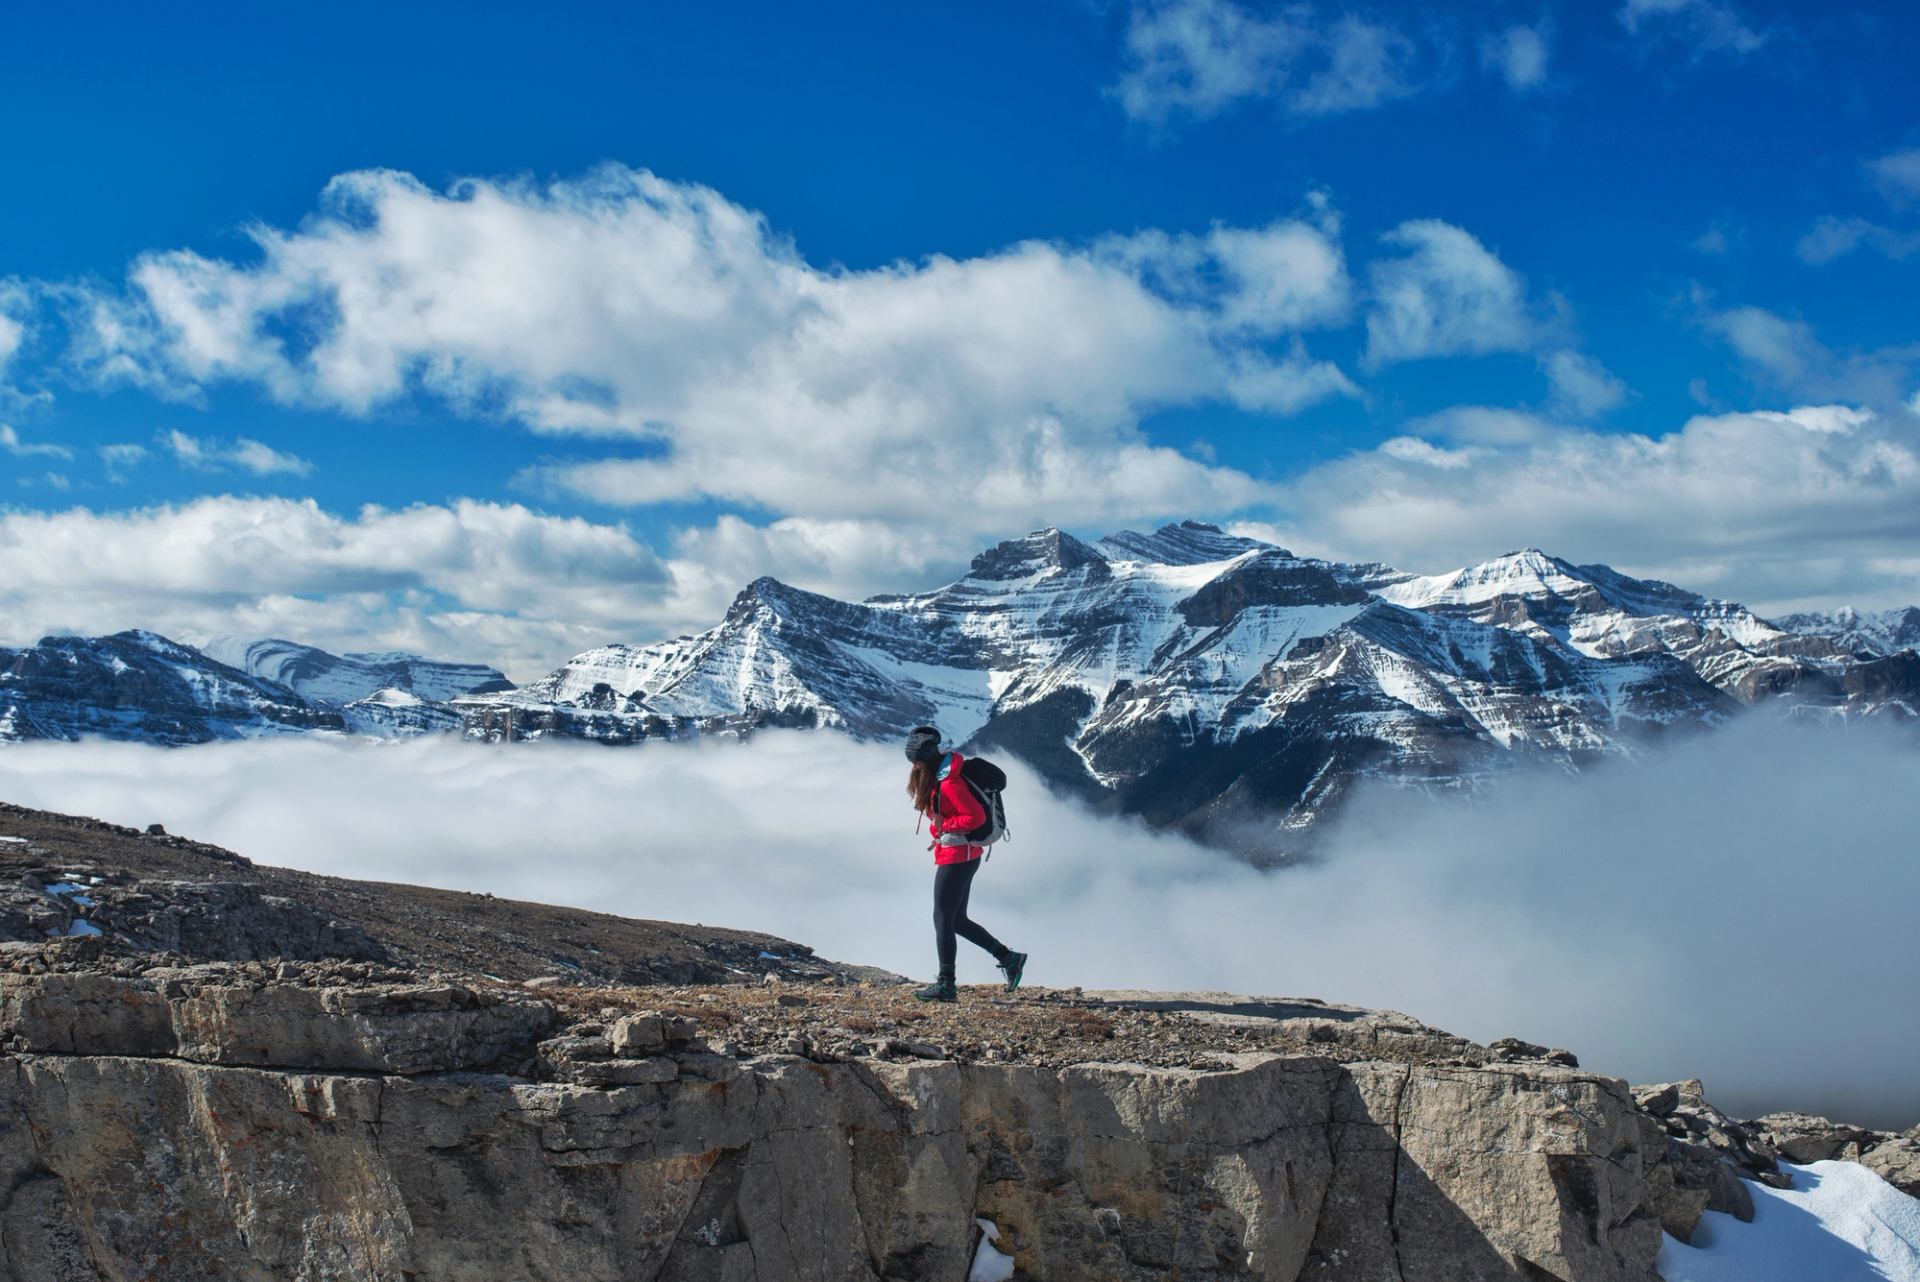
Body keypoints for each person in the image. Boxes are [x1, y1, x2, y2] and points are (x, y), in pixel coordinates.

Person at [904, 725, 1026, 1002]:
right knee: (956, 920)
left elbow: (975, 819)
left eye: (914, 761)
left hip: (958, 856)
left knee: (942, 918)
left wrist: (945, 825)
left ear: (922, 761)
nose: (913, 766)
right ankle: (1009, 959)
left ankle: (946, 984)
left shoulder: (949, 782)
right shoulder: (938, 776)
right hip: (961, 855)